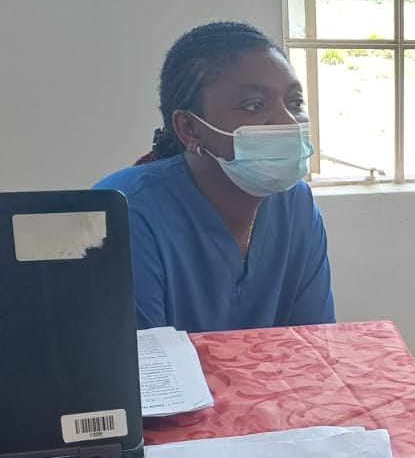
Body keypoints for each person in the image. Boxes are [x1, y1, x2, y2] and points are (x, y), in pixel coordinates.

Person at [95, 22, 335, 332]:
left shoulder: (296, 205)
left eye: (295, 102)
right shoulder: (125, 213)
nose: (287, 121)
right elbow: (139, 369)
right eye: (253, 105)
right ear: (190, 129)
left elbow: (314, 346)